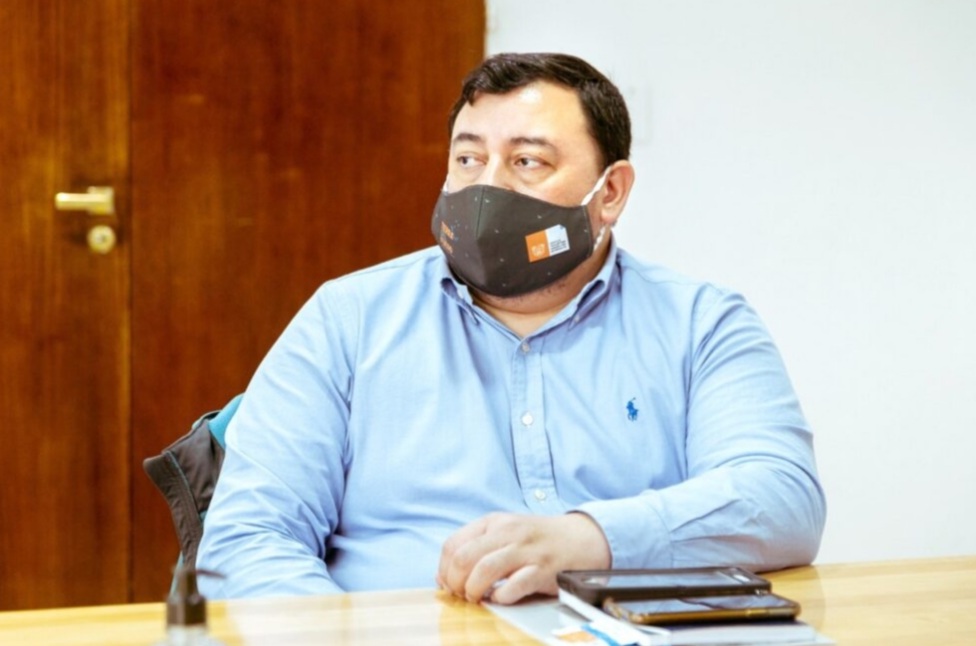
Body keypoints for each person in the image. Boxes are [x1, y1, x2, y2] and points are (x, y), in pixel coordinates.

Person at [197, 52, 826, 605]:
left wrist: (589, 541)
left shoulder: (701, 324)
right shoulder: (349, 319)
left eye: (527, 161)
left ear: (610, 192)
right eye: (468, 158)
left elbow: (781, 498)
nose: (487, 186)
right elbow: (247, 538)